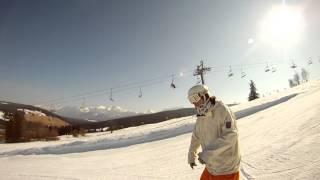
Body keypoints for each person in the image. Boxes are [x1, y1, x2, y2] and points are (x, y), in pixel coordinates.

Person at [187, 84, 241, 180]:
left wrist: (207, 154)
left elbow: (231, 135)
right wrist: (191, 155)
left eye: (195, 98)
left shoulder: (222, 110)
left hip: (226, 169)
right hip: (211, 167)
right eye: (190, 100)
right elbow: (196, 136)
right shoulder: (201, 115)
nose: (193, 103)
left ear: (205, 95)